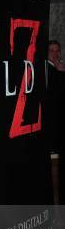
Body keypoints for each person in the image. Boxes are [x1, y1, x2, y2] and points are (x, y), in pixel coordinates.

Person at [47, 40, 65, 204]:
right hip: (52, 127)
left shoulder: (58, 69)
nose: (55, 54)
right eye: (52, 51)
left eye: (57, 51)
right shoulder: (48, 71)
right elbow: (53, 98)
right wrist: (60, 74)